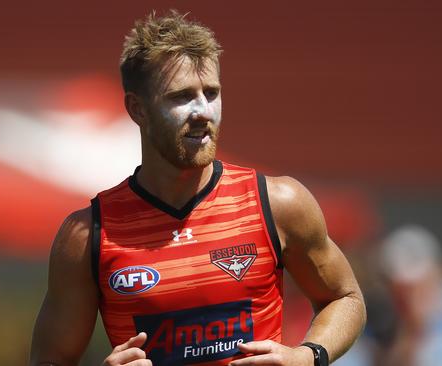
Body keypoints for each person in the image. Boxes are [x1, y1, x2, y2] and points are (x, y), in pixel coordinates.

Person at [30, 10, 365, 366]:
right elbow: (48, 359)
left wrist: (306, 356)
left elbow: (345, 297)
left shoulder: (278, 203)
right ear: (137, 109)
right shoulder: (88, 236)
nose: (203, 111)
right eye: (181, 96)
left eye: (212, 92)